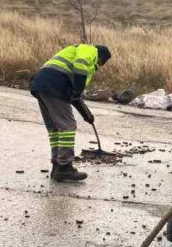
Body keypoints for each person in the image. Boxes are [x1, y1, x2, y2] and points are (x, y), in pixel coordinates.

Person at [30, 44, 112, 181]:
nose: (98, 66)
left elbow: (75, 96)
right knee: (67, 126)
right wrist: (78, 89)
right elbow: (80, 69)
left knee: (56, 128)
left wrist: (87, 115)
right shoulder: (90, 50)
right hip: (55, 84)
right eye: (100, 63)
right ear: (101, 58)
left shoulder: (73, 54)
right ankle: (64, 166)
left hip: (42, 84)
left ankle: (56, 166)